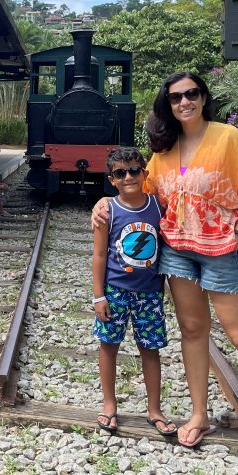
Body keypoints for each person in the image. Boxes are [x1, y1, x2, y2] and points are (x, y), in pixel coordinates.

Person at [92, 71, 238, 448]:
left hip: (223, 249)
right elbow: (142, 195)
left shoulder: (228, 138)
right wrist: (103, 203)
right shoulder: (163, 149)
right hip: (178, 251)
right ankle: (199, 413)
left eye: (191, 94)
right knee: (192, 329)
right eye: (176, 97)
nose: (184, 102)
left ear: (203, 97)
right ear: (167, 105)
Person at [92, 147, 178, 438]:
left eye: (133, 170)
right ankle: (109, 404)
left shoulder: (157, 206)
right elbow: (99, 255)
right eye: (120, 173)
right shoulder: (108, 211)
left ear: (145, 173)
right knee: (109, 345)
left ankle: (154, 409)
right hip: (116, 291)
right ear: (112, 179)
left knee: (150, 350)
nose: (128, 176)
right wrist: (98, 295)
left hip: (150, 293)